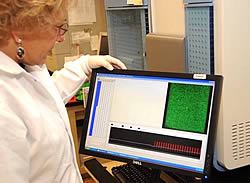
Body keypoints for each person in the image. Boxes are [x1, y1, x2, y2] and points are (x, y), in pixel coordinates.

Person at [0, 0, 126, 182]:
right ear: (23, 29)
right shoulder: (4, 106)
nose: (60, 38)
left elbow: (45, 100)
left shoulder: (28, 63)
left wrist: (85, 65)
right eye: (57, 28)